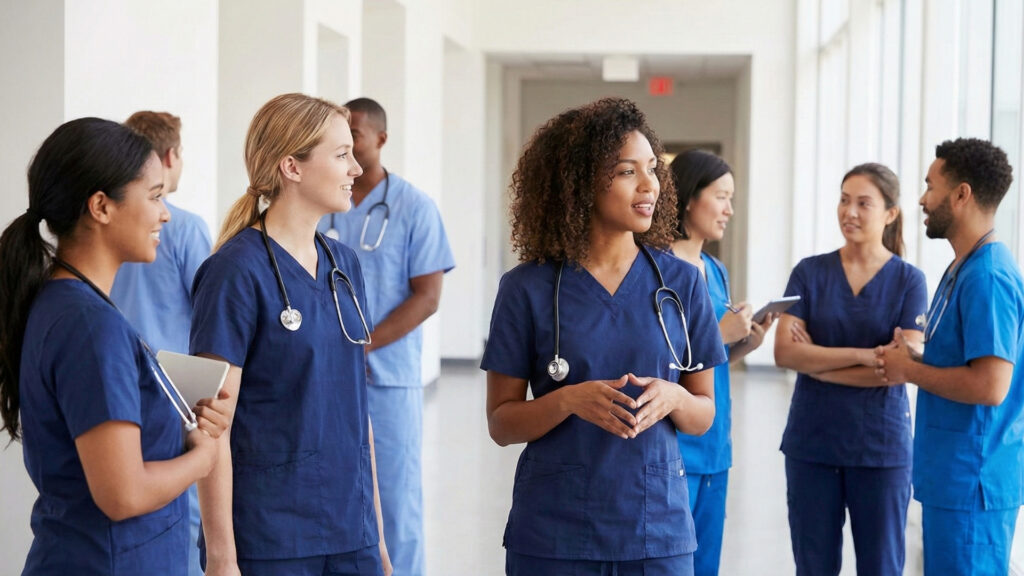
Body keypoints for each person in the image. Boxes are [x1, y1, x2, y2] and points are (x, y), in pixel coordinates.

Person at [482, 98, 726, 576]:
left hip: (655, 530)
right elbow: (501, 423)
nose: (649, 184)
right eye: (626, 171)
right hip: (555, 533)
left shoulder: (680, 283)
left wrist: (675, 396)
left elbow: (702, 415)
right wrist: (567, 401)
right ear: (580, 183)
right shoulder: (528, 288)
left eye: (653, 169)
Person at [0, 117, 229, 574]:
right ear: (101, 206)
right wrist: (201, 457)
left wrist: (184, 422)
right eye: (155, 196)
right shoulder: (89, 326)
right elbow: (123, 494)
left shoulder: (69, 305)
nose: (165, 213)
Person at [191, 93, 391, 576]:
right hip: (271, 536)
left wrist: (378, 539)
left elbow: (356, 411)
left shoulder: (345, 266)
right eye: (341, 155)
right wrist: (222, 559)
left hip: (352, 529)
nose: (356, 170)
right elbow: (211, 427)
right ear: (292, 167)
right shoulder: (232, 273)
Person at [318, 97, 454, 576]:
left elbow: (428, 296)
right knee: (332, 494)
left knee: (394, 502)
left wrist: (363, 345)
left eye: (355, 134)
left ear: (381, 139)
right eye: (339, 137)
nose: (348, 145)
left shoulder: (413, 207)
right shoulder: (324, 201)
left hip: (386, 377)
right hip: (324, 375)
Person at [875, 138, 1024, 575]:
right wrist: (921, 351)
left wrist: (910, 369)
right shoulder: (965, 266)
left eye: (930, 186)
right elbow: (971, 356)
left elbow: (991, 386)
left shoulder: (989, 276)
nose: (921, 200)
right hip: (952, 478)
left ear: (962, 195)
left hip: (973, 482)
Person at [774, 163, 927, 575]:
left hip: (880, 449)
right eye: (844, 200)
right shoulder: (808, 272)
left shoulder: (910, 282)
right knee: (814, 566)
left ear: (890, 213)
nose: (850, 212)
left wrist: (819, 363)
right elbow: (786, 355)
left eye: (864, 203)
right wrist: (865, 356)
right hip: (813, 444)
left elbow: (900, 367)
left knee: (881, 567)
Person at [111, 110, 213, 576]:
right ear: (171, 155)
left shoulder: (112, 225)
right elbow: (212, 316)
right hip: (177, 391)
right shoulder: (184, 227)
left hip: (119, 386)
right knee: (185, 513)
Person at [668, 150, 777, 576]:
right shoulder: (657, 268)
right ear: (690, 198)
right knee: (670, 561)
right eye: (721, 197)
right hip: (675, 447)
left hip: (714, 445)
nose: (730, 210)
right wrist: (720, 331)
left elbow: (708, 360)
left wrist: (743, 343)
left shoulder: (714, 269)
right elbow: (660, 359)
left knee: (705, 564)